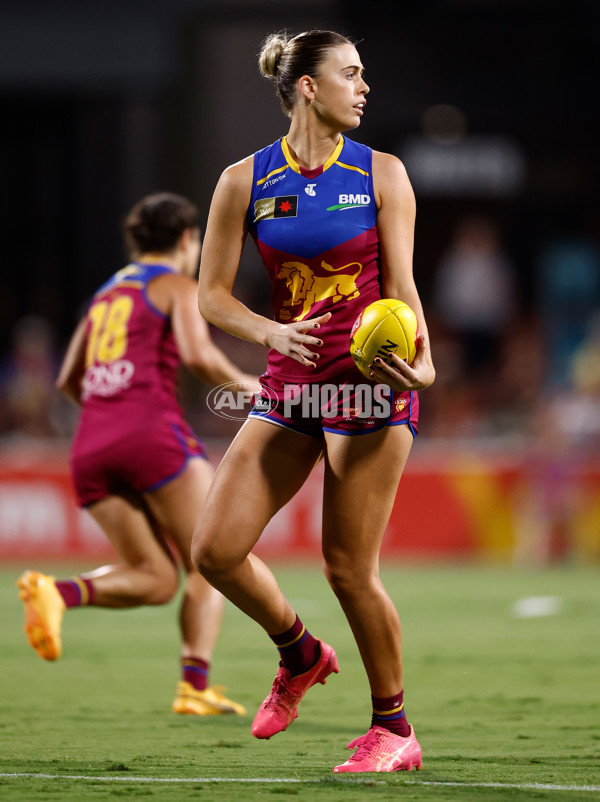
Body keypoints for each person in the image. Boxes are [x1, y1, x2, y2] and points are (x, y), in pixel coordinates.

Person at [191, 31, 435, 772]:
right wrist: (271, 332)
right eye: (350, 74)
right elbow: (210, 296)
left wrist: (422, 369)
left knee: (347, 569)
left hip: (368, 389)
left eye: (364, 75)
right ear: (307, 86)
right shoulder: (245, 179)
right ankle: (300, 654)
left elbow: (404, 291)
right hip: (291, 386)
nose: (364, 88)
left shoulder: (384, 174)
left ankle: (394, 731)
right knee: (214, 552)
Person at [18, 192, 255, 717]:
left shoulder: (104, 294)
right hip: (150, 434)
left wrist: (110, 420)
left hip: (91, 444)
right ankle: (194, 685)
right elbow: (198, 355)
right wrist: (248, 384)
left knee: (155, 578)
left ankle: (57, 592)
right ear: (189, 239)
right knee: (211, 560)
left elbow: (67, 379)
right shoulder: (174, 285)